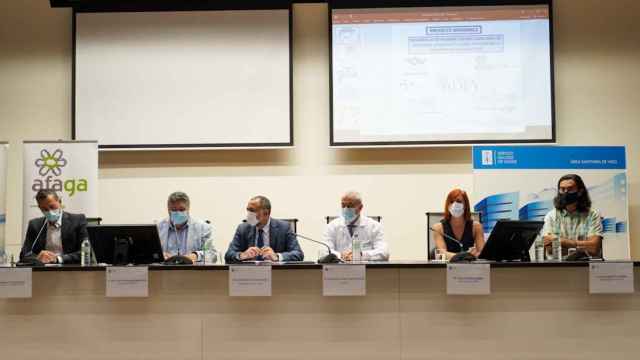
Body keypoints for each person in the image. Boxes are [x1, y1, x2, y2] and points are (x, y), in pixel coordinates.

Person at [225, 195, 303, 263]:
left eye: (252, 210)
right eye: (248, 210)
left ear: (266, 213)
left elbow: (298, 254)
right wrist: (242, 255)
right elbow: (229, 255)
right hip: (249, 275)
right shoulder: (243, 228)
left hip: (276, 274)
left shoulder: (284, 228)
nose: (249, 214)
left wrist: (277, 256)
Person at [19, 189, 88, 264]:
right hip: (42, 272)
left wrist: (58, 259)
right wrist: (37, 258)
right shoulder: (35, 225)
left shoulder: (77, 220)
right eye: (44, 209)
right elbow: (24, 254)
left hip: (70, 269)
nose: (49, 211)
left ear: (59, 202)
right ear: (39, 208)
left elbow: (86, 252)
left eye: (52, 206)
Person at [542, 174, 603, 257]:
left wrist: (561, 241)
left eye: (570, 189)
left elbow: (594, 248)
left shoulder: (593, 215)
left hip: (586, 266)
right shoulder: (551, 216)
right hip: (559, 267)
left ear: (580, 192)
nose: (565, 192)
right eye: (562, 189)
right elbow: (551, 249)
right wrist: (582, 247)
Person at [323, 191, 389, 261]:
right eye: (343, 205)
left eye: (350, 206)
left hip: (366, 270)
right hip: (337, 270)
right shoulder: (332, 226)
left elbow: (384, 252)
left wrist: (361, 255)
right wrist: (340, 256)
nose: (345, 209)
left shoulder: (374, 226)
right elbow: (323, 251)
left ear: (360, 207)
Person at [156, 191, 217, 263]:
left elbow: (212, 255)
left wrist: (196, 255)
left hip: (192, 272)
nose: (178, 213)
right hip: (163, 272)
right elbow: (150, 254)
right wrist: (159, 256)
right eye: (174, 210)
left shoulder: (203, 228)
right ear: (168, 210)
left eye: (182, 209)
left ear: (188, 209)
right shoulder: (158, 228)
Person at [432, 189, 484, 260]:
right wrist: (464, 256)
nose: (454, 204)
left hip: (470, 268)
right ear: (448, 205)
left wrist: (476, 253)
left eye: (459, 201)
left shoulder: (476, 226)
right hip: (447, 268)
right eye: (451, 202)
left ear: (466, 205)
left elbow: (482, 252)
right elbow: (442, 253)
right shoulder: (438, 228)